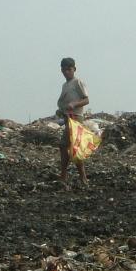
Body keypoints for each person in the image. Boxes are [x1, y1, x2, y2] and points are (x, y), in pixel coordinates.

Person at [56, 57, 90, 185]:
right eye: (64, 70)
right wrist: (61, 110)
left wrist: (74, 104)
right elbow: (64, 104)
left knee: (71, 147)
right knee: (67, 147)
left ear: (74, 69)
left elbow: (86, 100)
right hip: (67, 118)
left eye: (69, 69)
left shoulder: (77, 82)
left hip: (76, 118)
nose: (66, 72)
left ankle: (78, 177)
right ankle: (74, 177)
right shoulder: (65, 85)